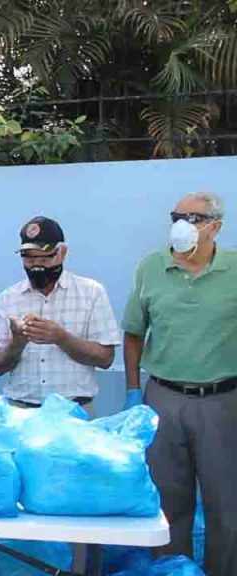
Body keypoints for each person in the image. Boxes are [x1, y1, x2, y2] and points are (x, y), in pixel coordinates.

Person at [122, 191, 237, 576]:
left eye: (195, 217)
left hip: (223, 401)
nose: (183, 223)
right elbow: (134, 333)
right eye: (177, 215)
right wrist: (133, 392)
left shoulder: (234, 269)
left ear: (216, 227)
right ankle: (171, 571)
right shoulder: (151, 268)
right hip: (163, 398)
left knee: (226, 506)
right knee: (168, 505)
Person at [0, 216, 120, 416]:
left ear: (62, 253)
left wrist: (60, 337)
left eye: (45, 257)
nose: (37, 265)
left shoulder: (91, 293)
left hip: (74, 413)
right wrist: (18, 342)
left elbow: (105, 359)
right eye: (29, 258)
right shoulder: (7, 298)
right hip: (22, 413)